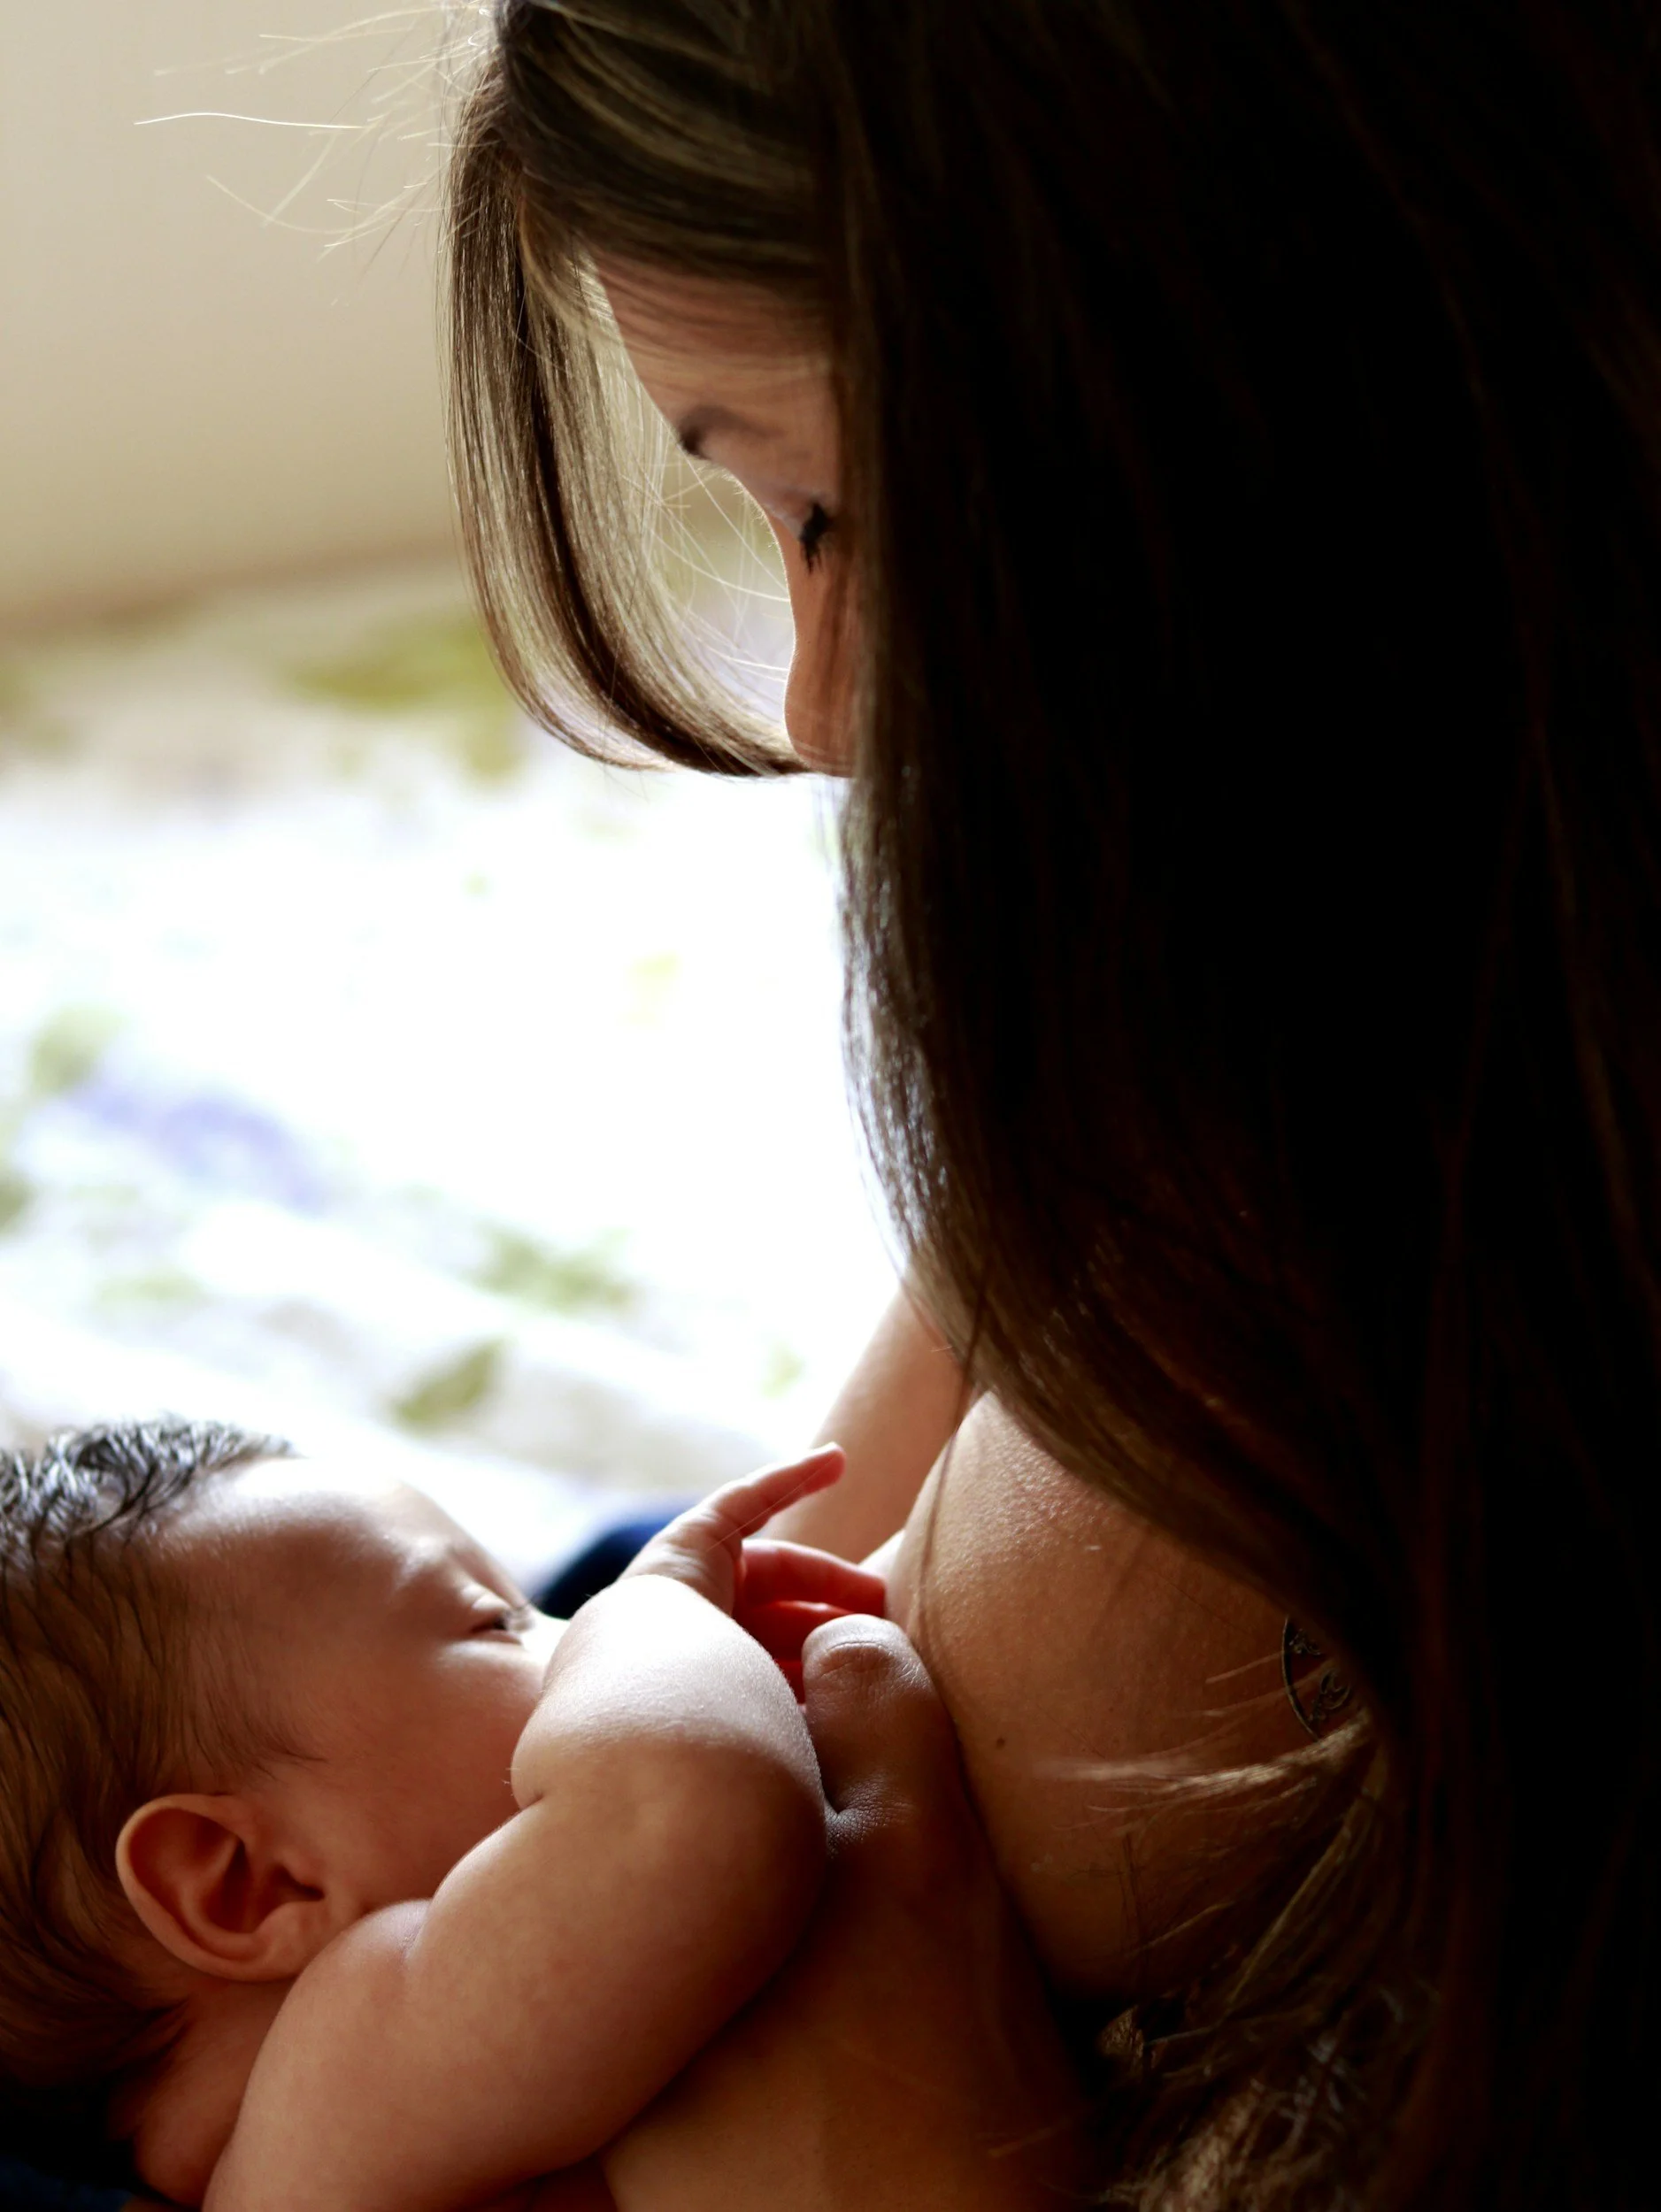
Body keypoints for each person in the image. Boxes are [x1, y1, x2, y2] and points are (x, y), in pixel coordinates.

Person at [441, 4, 1661, 2207]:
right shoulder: (1243, 963)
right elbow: (802, 1548)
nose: (817, 712)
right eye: (774, 529)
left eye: (826, 506)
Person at [0, 1420, 921, 2210]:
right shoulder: (328, 2099)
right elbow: (680, 1817)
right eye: (497, 1620)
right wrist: (653, 1609)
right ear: (254, 1884)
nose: (577, 1628)